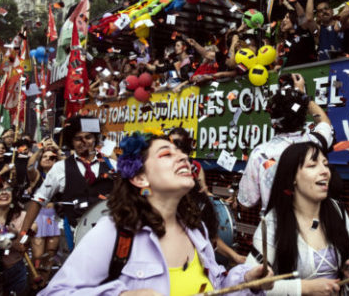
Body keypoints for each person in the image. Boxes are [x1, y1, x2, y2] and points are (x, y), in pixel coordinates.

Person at [40, 133, 273, 295]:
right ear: (141, 178)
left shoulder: (195, 229)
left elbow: (215, 286)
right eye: (166, 154)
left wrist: (246, 280)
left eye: (181, 152)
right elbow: (56, 291)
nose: (183, 157)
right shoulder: (114, 233)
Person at [247, 142, 349, 295]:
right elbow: (251, 284)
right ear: (292, 177)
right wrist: (305, 288)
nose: (325, 171)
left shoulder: (337, 209)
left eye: (325, 164)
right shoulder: (273, 222)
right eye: (312, 165)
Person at [238, 73, 335, 212]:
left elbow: (246, 203)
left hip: (276, 229)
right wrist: (302, 95)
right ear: (304, 116)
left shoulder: (260, 155)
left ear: (272, 119)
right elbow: (324, 122)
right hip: (311, 228)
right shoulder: (314, 143)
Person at [20, 116, 114, 248]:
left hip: (108, 237)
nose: (83, 142)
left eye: (88, 137)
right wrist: (23, 235)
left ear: (95, 138)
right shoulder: (60, 168)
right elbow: (38, 200)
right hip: (74, 236)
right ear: (71, 141)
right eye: (77, 138)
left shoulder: (113, 166)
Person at [168, 127, 246, 265]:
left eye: (181, 145)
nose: (176, 150)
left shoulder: (196, 168)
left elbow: (205, 192)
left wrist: (221, 202)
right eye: (171, 145)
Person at [28, 141, 63, 282]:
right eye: (45, 157)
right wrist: (39, 150)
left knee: (50, 255)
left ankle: (45, 285)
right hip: (38, 216)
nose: (48, 159)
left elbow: (68, 164)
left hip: (55, 217)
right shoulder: (36, 176)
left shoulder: (61, 176)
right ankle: (34, 285)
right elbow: (30, 166)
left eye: (52, 157)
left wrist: (58, 151)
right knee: (37, 256)